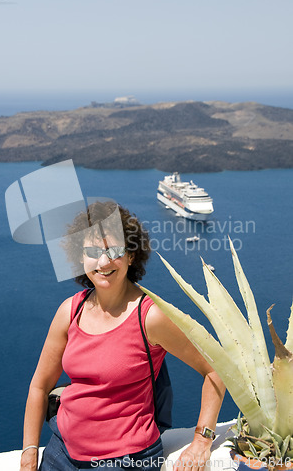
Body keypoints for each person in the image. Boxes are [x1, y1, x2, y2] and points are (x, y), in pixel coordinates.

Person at [20, 201, 225, 471]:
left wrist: (202, 440)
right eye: (92, 251)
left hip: (125, 461)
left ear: (131, 255)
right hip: (61, 454)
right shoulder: (70, 311)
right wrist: (29, 452)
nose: (103, 261)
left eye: (114, 250)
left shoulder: (150, 317)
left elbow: (215, 370)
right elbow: (39, 386)